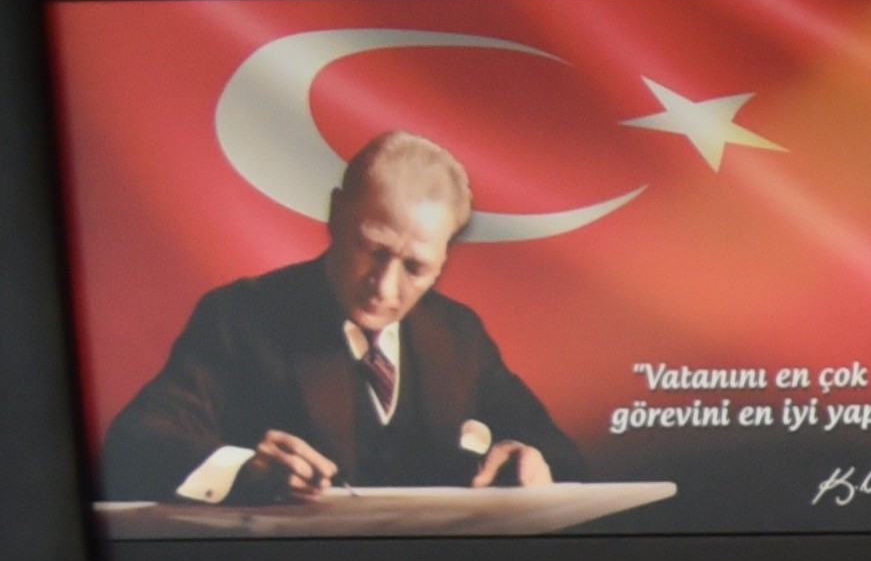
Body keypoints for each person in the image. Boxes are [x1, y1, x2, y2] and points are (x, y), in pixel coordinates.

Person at [95, 129, 582, 502]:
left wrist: (531, 460)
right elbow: (136, 443)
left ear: (443, 261)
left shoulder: (458, 333)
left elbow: (565, 459)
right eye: (372, 249)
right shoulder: (240, 317)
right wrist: (243, 470)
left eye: (415, 268)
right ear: (334, 214)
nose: (385, 287)